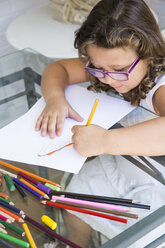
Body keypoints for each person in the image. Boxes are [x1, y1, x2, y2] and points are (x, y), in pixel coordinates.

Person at [36, 0, 165, 247]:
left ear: (148, 53)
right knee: (71, 200)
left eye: (119, 69)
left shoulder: (160, 89)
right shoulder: (109, 66)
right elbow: (58, 68)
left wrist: (105, 141)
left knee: (137, 237)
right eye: (97, 67)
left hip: (156, 179)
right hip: (119, 164)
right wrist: (55, 99)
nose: (107, 78)